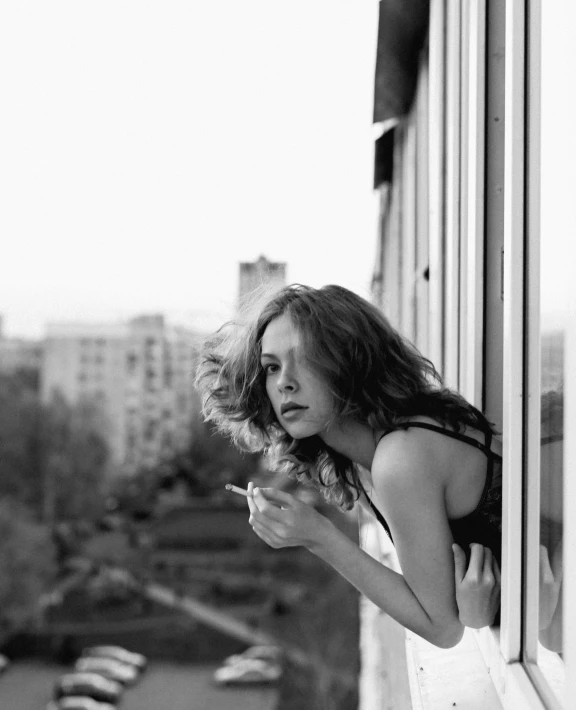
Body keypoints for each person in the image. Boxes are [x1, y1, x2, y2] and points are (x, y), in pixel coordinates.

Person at [195, 283, 502, 648]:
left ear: (351, 361)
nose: (284, 384)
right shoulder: (370, 458)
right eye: (271, 367)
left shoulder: (400, 457)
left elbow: (442, 628)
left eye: (306, 358)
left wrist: (319, 536)